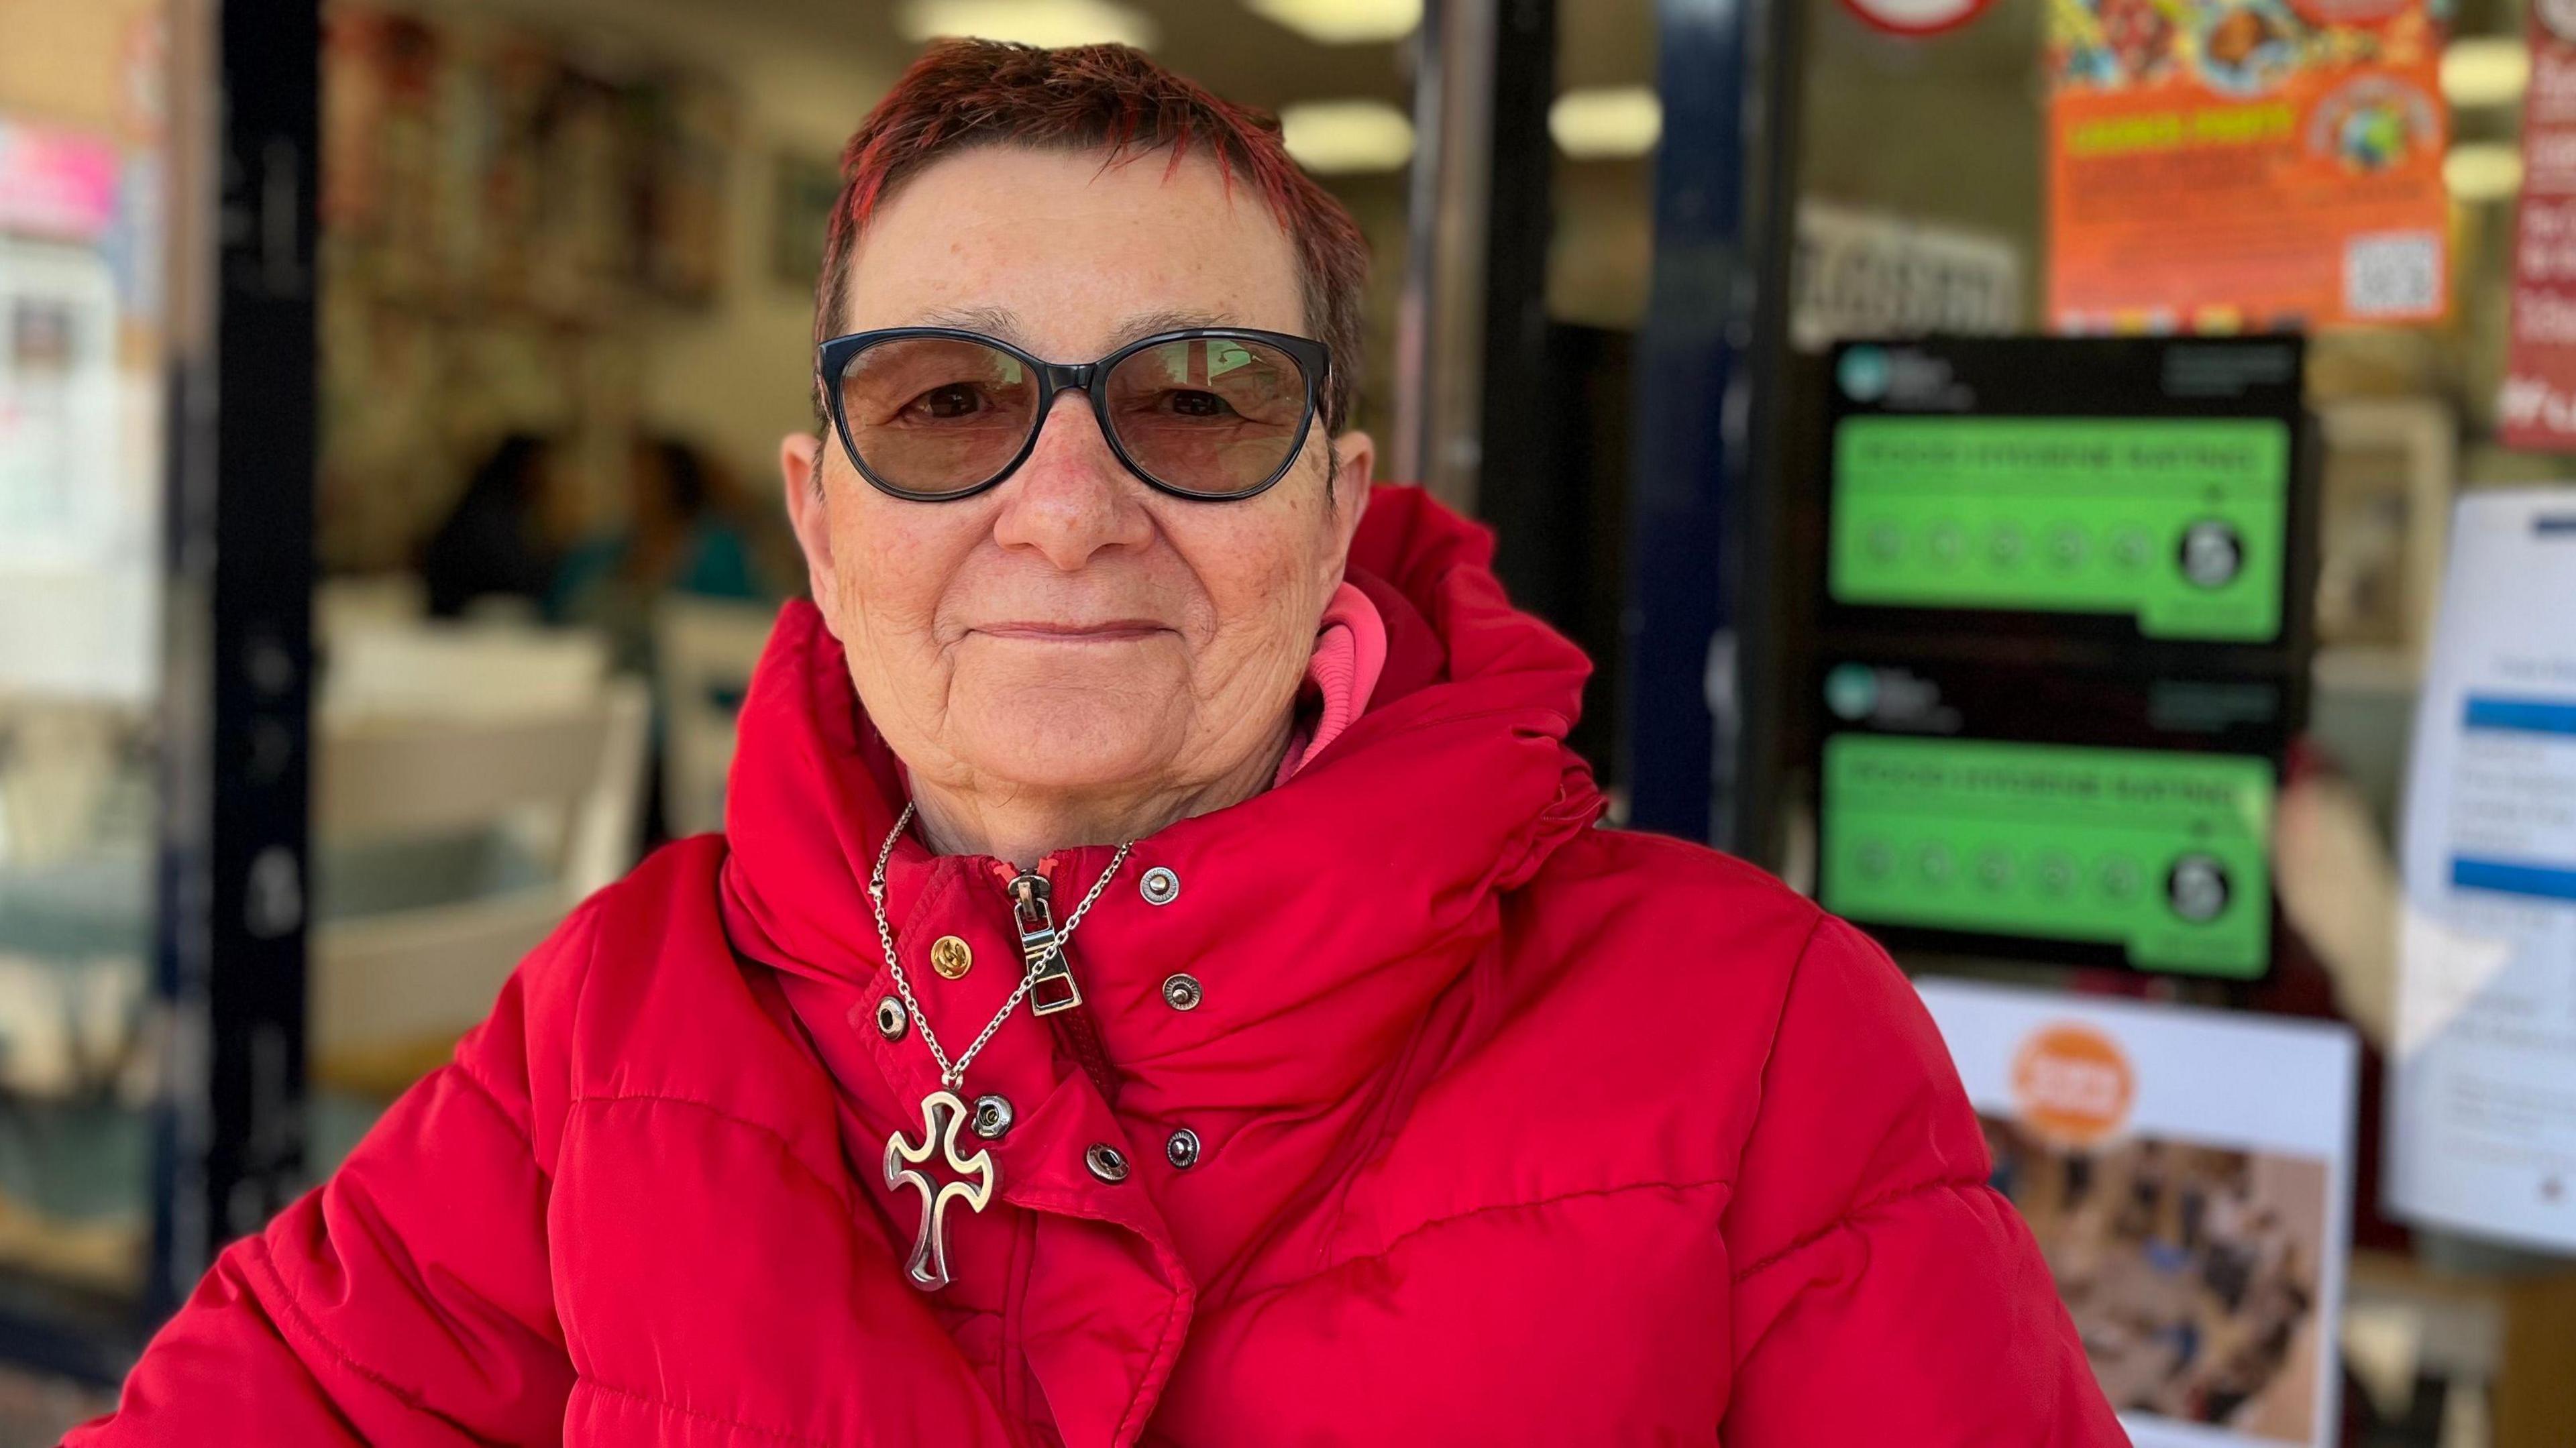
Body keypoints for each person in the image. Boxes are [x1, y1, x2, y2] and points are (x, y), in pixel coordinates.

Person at [72, 41, 2121, 1445]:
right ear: (813, 508)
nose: (1062, 507)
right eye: (949, 403)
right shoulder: (612, 1020)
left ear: (1334, 499)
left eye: (1200, 398)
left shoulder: (1756, 1036)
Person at [419, 431, 562, 618]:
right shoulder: (487, 513)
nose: (545, 478)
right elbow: (518, 578)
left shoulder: (504, 508)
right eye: (539, 468)